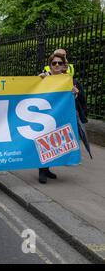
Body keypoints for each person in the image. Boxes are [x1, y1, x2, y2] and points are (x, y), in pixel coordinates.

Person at [38, 53, 87, 184]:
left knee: (55, 142)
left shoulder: (71, 81)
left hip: (62, 117)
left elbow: (82, 100)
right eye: (54, 63)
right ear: (50, 66)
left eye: (60, 63)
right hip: (46, 117)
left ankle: (47, 169)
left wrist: (76, 94)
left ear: (65, 65)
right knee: (44, 141)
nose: (57, 65)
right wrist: (38, 79)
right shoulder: (44, 78)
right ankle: (42, 171)